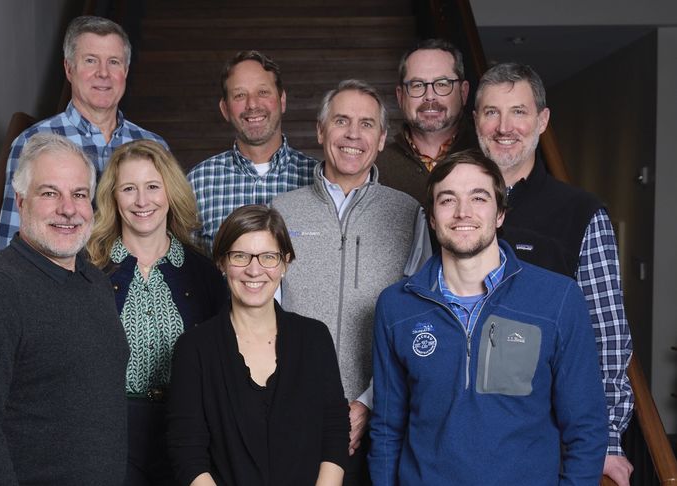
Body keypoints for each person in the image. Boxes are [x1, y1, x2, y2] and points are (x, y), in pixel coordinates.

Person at [370, 149, 609, 485]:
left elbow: (587, 428)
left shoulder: (557, 300)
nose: (463, 212)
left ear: (500, 214)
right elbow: (386, 429)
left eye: (478, 198)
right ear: (432, 218)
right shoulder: (396, 307)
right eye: (447, 200)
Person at [473, 62, 634, 485]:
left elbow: (607, 336)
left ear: (542, 120)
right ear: (475, 121)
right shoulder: (449, 207)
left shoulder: (581, 213)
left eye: (518, 112)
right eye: (491, 112)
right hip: (459, 436)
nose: (504, 127)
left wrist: (607, 439)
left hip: (545, 441)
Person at [272, 79, 430, 485]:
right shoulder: (281, 212)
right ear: (320, 130)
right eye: (341, 121)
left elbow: (420, 319)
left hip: (381, 418)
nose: (353, 135)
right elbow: (265, 315)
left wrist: (367, 402)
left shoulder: (409, 214)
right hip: (294, 411)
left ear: (381, 140)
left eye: (367, 124)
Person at [0, 134, 129, 485]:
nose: (68, 209)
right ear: (20, 202)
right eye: (49, 193)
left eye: (79, 194)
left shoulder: (95, 282)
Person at [167, 205, 349, 486]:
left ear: (285, 263)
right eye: (240, 256)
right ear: (221, 262)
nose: (254, 270)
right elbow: (187, 453)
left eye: (268, 257)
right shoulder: (194, 349)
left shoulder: (315, 338)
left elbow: (335, 433)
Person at [86, 140, 226, 485]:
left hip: (187, 432)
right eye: (128, 189)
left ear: (170, 192)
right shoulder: (89, 273)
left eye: (152, 186)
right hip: (108, 433)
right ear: (113, 198)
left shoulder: (204, 274)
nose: (142, 201)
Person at [0, 15, 167, 251]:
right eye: (91, 61)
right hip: (59, 274)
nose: (103, 73)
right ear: (69, 69)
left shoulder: (153, 145)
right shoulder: (32, 143)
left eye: (114, 62)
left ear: (126, 71)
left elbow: (171, 233)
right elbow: (9, 244)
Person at [187, 50, 318, 254]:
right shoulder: (197, 183)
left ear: (282, 100)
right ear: (225, 109)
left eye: (263, 92)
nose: (252, 104)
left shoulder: (317, 179)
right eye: (240, 95)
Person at [376, 39, 477, 202]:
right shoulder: (376, 166)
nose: (429, 96)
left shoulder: (488, 154)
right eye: (417, 85)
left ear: (463, 93)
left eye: (442, 84)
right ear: (400, 97)